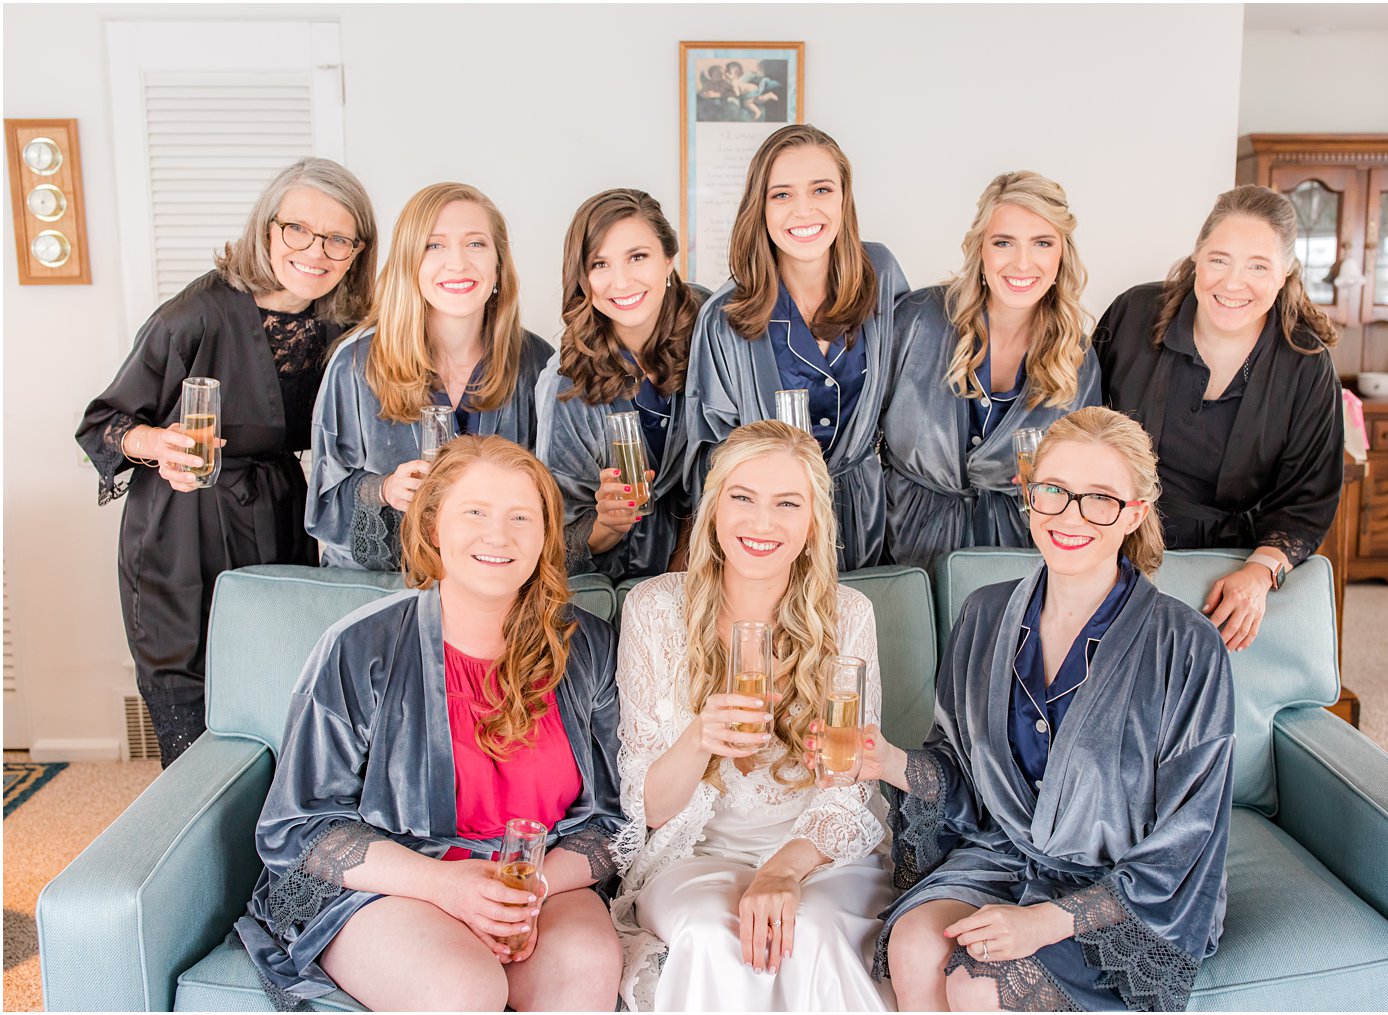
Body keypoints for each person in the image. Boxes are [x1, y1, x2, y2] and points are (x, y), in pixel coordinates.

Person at [235, 436, 624, 1011]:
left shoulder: (587, 646)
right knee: (462, 988)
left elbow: (617, 818)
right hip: (398, 880)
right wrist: (447, 887)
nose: (499, 535)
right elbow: (303, 827)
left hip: (537, 880)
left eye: (522, 516)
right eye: (475, 513)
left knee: (588, 967)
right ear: (432, 526)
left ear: (545, 536)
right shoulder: (359, 647)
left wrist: (523, 889)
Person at [869, 406, 1234, 1012]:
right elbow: (963, 774)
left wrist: (1046, 922)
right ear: (1029, 495)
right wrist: (887, 762)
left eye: (1100, 499)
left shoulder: (1187, 645)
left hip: (1123, 891)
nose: (1072, 516)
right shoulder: (984, 616)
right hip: (1007, 856)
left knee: (975, 985)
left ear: (1134, 514)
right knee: (913, 943)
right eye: (1056, 492)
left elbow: (1187, 837)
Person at [76, 158, 377, 766]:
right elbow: (102, 425)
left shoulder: (346, 324)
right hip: (183, 524)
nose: (315, 251)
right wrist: (156, 445)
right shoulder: (194, 314)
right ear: (267, 228)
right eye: (298, 229)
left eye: (338, 238)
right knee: (192, 698)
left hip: (280, 514)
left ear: (356, 252)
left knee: (280, 689)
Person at [612, 420, 895, 1012]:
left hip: (815, 851)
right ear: (715, 508)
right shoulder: (654, 609)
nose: (761, 524)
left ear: (813, 520)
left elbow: (850, 787)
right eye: (742, 498)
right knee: (718, 938)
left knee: (811, 935)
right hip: (695, 855)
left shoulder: (847, 615)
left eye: (786, 504)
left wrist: (783, 871)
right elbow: (649, 807)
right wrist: (697, 739)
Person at [1094, 183, 1344, 652]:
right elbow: (1083, 428)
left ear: (1285, 272)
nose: (1233, 283)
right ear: (1197, 257)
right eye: (1219, 260)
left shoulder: (1306, 362)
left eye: (1257, 266)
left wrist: (1258, 573)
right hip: (1117, 551)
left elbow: (1308, 501)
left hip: (1229, 568)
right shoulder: (1132, 315)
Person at [683, 123, 910, 572]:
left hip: (866, 524)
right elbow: (712, 453)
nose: (803, 210)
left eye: (821, 189)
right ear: (759, 207)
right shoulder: (726, 316)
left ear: (844, 197)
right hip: (766, 533)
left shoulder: (879, 275)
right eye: (782, 194)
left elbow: (909, 397)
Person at [307, 182, 552, 570]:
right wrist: (384, 489)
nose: (457, 262)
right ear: (410, 263)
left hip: (496, 588)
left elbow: (556, 497)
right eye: (434, 245)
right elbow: (323, 503)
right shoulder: (355, 364)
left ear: (498, 264)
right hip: (382, 592)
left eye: (475, 244)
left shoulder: (538, 364)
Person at [881, 171, 1101, 570]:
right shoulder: (916, 320)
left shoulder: (1076, 356)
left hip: (1018, 555)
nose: (1022, 262)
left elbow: (1084, 473)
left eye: (1042, 243)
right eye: (1004, 243)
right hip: (903, 545)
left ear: (1061, 254)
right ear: (980, 249)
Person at [535, 188, 709, 581]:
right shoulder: (565, 386)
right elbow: (552, 542)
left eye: (637, 257)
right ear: (582, 278)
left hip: (714, 571)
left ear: (668, 259)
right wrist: (606, 526)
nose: (621, 281)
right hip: (615, 588)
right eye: (600, 264)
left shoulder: (712, 334)